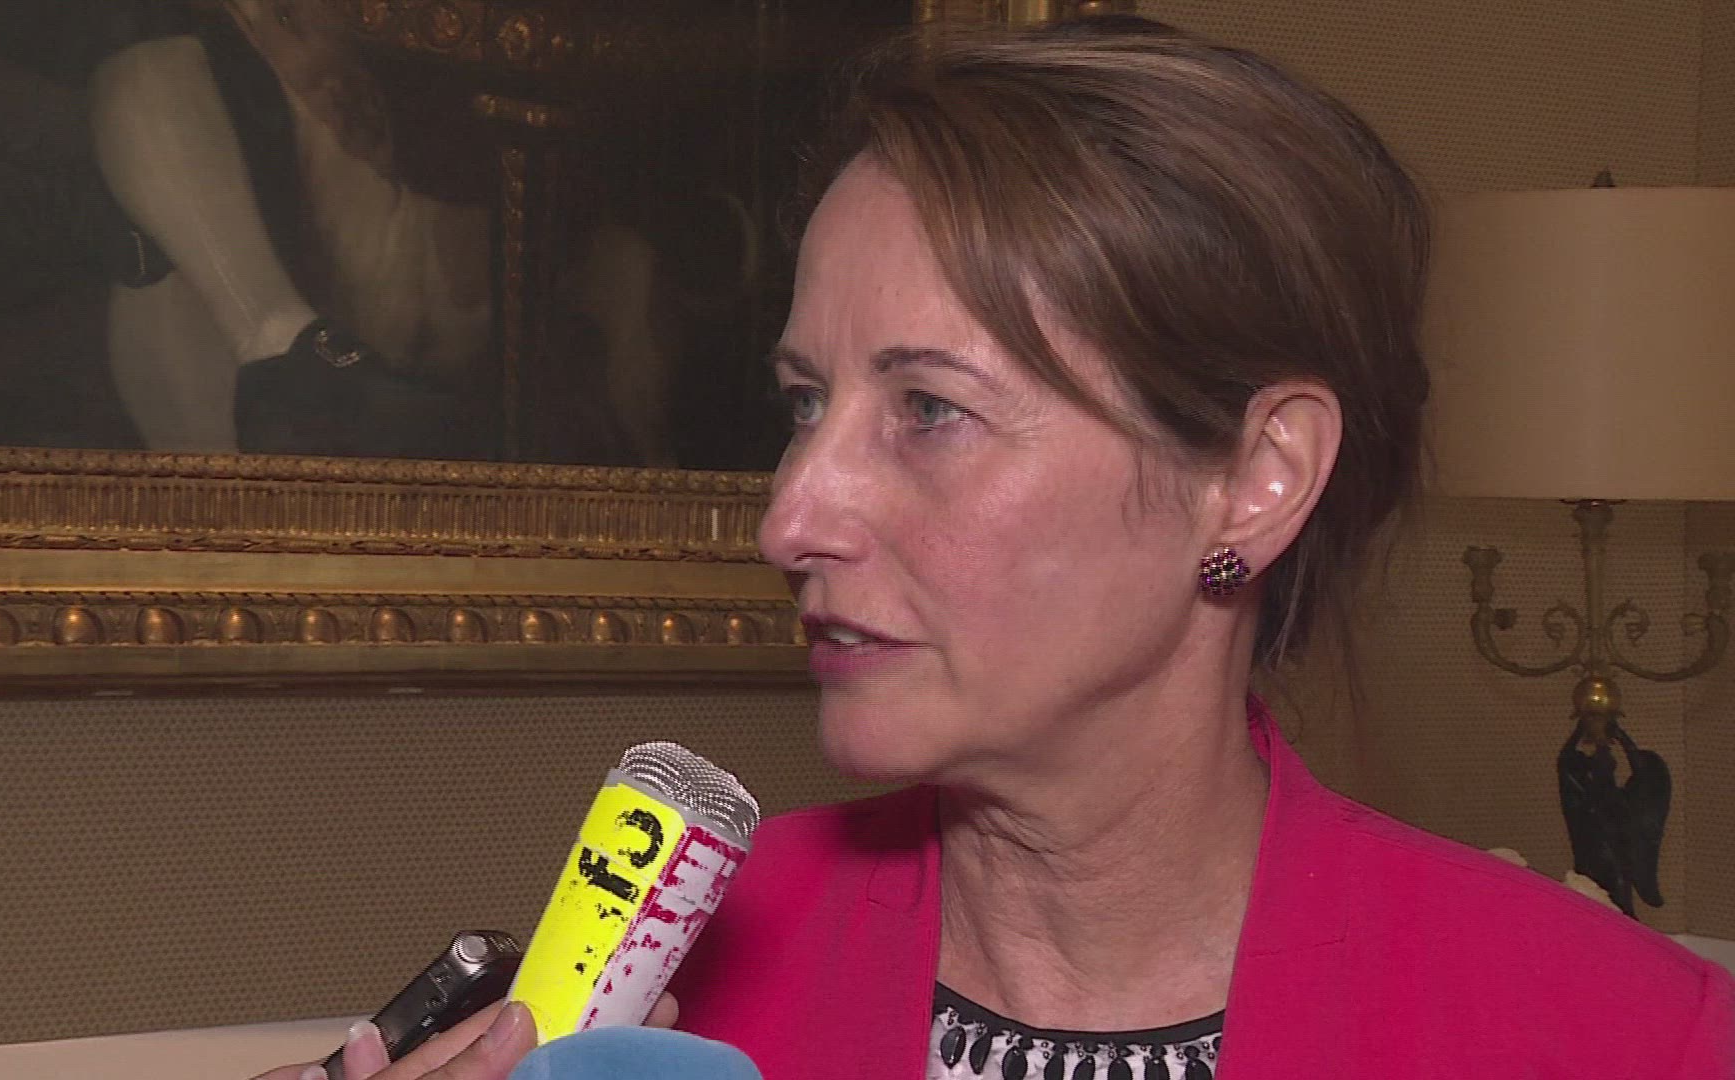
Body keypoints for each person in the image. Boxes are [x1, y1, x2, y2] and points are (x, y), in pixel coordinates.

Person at [257, 14, 1733, 1080]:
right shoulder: (668, 969)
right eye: (804, 403)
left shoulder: (1624, 1038)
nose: (789, 518)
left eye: (930, 411)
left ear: (1256, 478)